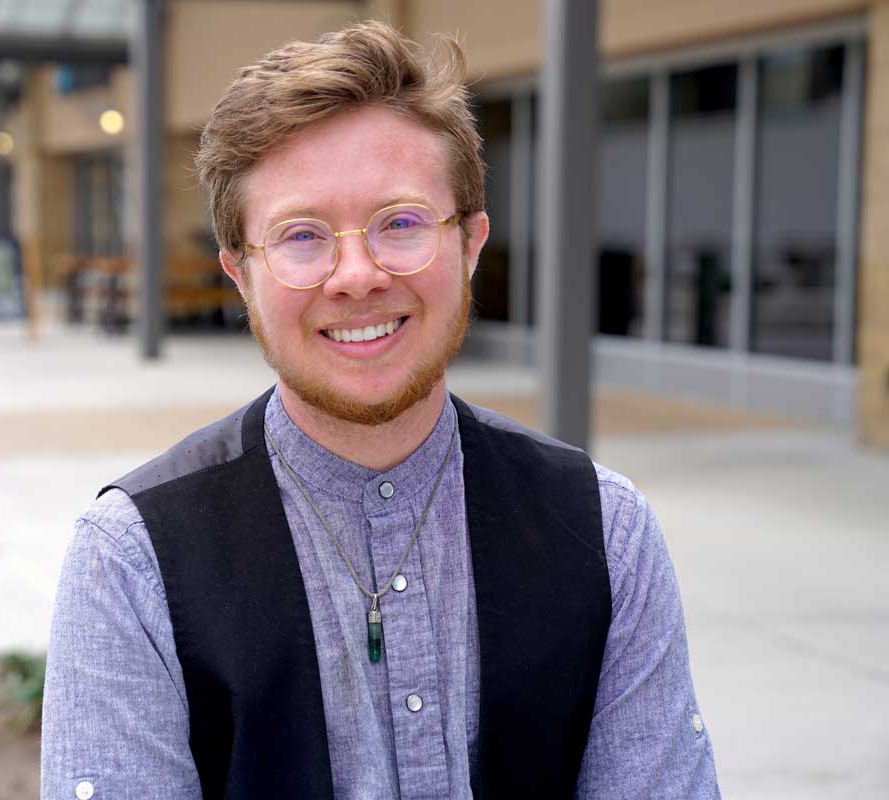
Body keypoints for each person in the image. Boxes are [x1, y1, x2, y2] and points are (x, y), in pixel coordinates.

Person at [41, 21, 721, 800]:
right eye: (302, 236)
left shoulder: (605, 531)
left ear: (470, 244)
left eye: (400, 223)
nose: (356, 275)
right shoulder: (133, 561)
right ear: (240, 274)